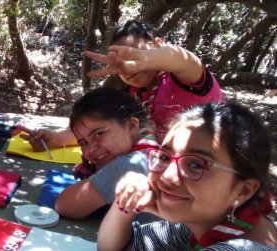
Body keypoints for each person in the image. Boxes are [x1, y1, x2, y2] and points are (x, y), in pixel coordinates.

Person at [98, 102, 276, 251]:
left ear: (243, 190)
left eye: (196, 165)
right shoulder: (210, 222)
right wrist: (126, 201)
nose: (168, 176)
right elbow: (114, 247)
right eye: (165, 157)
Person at [84, 20, 225, 141]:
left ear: (158, 45)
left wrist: (146, 59)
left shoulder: (184, 77)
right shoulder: (130, 93)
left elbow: (185, 60)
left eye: (135, 55)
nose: (129, 67)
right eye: (121, 63)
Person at [46, 88, 158, 219]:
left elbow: (65, 205)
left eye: (98, 133)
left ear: (132, 125)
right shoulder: (153, 147)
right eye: (83, 142)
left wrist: (104, 176)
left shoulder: (133, 164)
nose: (92, 148)